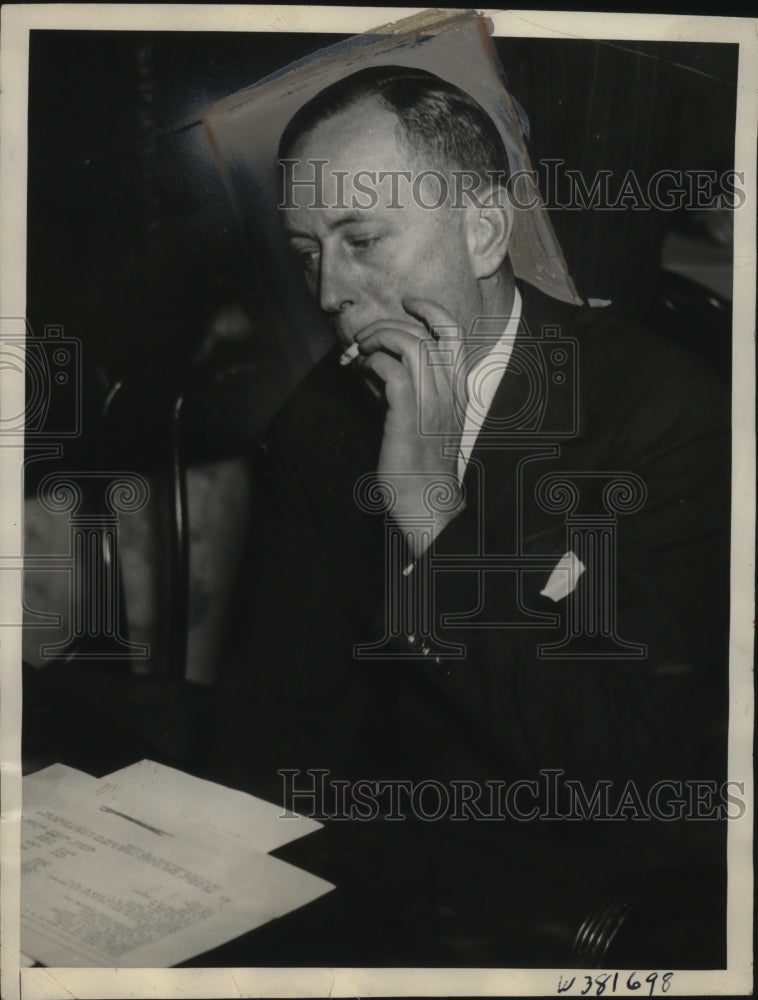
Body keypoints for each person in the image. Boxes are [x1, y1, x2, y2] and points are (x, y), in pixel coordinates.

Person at [208, 66, 730, 966]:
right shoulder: (318, 423)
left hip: (590, 896)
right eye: (307, 250)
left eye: (360, 238)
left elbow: (612, 772)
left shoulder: (665, 414)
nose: (328, 289)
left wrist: (433, 518)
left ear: (483, 231)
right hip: (380, 871)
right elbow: (278, 722)